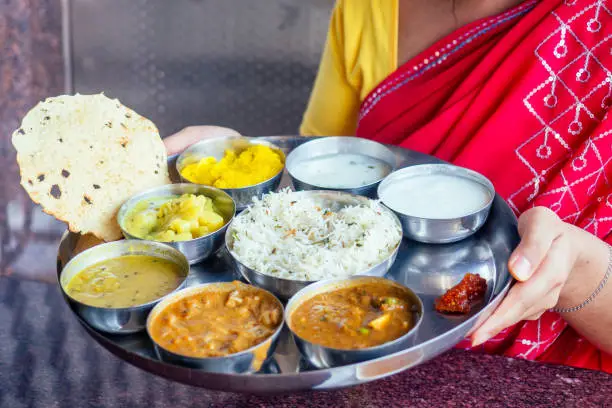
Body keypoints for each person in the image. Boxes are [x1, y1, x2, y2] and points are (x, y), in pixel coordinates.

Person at [164, 0, 612, 372]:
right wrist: (237, 168)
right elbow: (317, 182)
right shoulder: (368, 9)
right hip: (352, 361)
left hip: (548, 378)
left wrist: (577, 274)